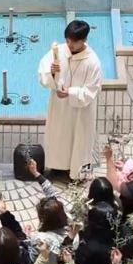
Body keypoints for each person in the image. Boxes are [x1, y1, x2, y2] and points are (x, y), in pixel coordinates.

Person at [38, 19, 103, 181]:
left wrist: (70, 92)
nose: (70, 44)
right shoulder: (59, 51)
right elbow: (42, 73)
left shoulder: (92, 62)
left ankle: (77, 173)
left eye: (74, 41)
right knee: (58, 136)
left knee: (79, 140)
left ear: (84, 40)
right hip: (60, 107)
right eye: (67, 40)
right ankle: (56, 167)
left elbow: (91, 90)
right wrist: (52, 73)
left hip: (80, 112)